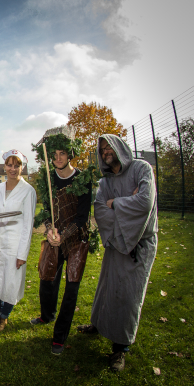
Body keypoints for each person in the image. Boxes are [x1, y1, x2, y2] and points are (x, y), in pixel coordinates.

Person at [77, 134, 157, 372]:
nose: (105, 152)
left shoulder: (142, 169)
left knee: (129, 295)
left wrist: (116, 203)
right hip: (117, 242)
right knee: (107, 288)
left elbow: (144, 202)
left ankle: (120, 348)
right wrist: (122, 204)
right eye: (101, 150)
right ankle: (98, 325)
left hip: (139, 245)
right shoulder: (106, 182)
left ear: (120, 147)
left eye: (108, 147)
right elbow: (100, 209)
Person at [27, 127, 96, 356]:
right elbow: (46, 210)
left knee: (71, 288)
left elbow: (82, 216)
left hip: (76, 239)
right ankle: (47, 315)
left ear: (70, 154)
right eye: (53, 154)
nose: (57, 158)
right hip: (53, 237)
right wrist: (49, 230)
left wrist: (63, 236)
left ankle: (60, 337)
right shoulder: (47, 178)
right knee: (46, 279)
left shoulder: (83, 179)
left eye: (62, 154)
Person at [0, 150, 36, 333]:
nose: (13, 169)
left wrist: (22, 253)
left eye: (17, 165)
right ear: (5, 166)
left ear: (22, 167)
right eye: (10, 165)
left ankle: (4, 318)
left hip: (14, 244)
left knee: (10, 283)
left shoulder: (28, 191)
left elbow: (28, 224)